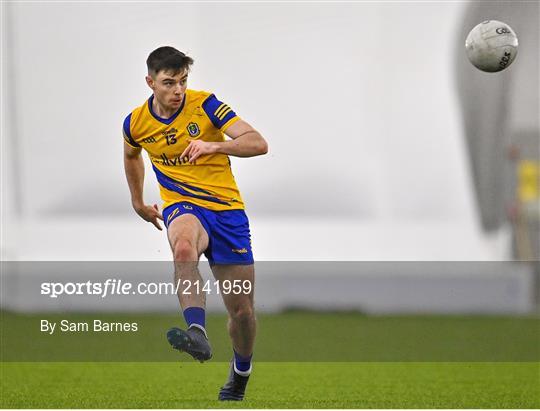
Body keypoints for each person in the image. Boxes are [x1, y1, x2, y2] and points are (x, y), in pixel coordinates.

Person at [123, 46, 268, 401]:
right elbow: (131, 154)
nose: (177, 91)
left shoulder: (206, 105)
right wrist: (138, 201)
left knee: (243, 313)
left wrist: (213, 147)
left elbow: (258, 143)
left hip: (226, 211)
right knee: (183, 246)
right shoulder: (136, 122)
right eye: (169, 82)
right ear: (150, 82)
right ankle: (197, 331)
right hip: (181, 206)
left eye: (183, 82)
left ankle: (240, 372)